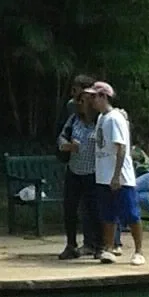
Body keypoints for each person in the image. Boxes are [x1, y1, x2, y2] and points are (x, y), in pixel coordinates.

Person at [91, 81, 147, 266]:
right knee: (107, 214)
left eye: (94, 96)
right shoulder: (101, 118)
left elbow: (121, 148)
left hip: (120, 177)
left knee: (130, 214)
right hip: (103, 175)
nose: (91, 100)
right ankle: (108, 247)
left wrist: (116, 176)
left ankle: (139, 251)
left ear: (104, 97)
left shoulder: (115, 119)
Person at [57, 74, 101, 260]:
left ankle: (98, 245)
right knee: (70, 208)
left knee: (93, 209)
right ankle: (71, 244)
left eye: (82, 101)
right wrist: (66, 146)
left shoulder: (100, 122)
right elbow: (61, 138)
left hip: (92, 172)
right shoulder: (74, 119)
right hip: (74, 171)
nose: (78, 104)